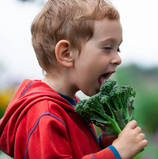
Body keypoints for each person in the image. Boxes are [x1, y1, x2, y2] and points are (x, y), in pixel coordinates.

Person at [0, 0, 148, 158]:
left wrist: (106, 143)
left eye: (117, 48)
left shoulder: (71, 105)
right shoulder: (45, 113)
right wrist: (116, 153)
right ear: (67, 54)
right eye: (107, 48)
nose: (118, 59)